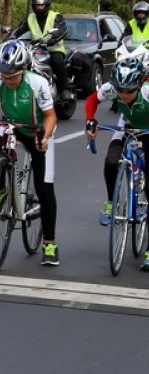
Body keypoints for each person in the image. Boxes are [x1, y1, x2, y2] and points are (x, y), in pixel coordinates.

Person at [0, 39, 60, 266]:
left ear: (24, 69)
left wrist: (45, 138)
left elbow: (50, 116)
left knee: (44, 187)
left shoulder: (38, 83)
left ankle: (49, 243)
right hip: (12, 127)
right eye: (4, 75)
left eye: (12, 76)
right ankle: (1, 190)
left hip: (37, 130)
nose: (7, 80)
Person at [85, 58, 149, 270]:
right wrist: (90, 120)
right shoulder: (111, 89)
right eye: (121, 90)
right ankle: (112, 202)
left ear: (139, 85)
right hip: (127, 126)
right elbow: (92, 101)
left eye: (129, 91)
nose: (124, 95)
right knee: (111, 161)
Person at [11, 0, 70, 100]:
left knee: (57, 62)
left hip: (54, 49)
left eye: (42, 5)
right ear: (34, 6)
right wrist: (10, 39)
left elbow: (62, 30)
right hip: (36, 50)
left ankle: (63, 89)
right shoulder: (30, 18)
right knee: (21, 62)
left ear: (47, 5)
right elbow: (18, 30)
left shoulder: (56, 16)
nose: (39, 7)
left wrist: (53, 39)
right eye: (37, 5)